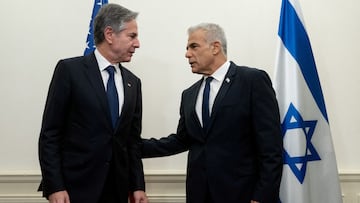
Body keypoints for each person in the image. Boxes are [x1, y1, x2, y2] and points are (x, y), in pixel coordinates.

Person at [142, 23, 283, 203]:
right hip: (200, 194)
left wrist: (262, 197)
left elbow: (271, 148)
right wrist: (130, 147)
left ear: (215, 47)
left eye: (194, 46)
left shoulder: (252, 81)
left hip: (243, 194)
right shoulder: (189, 95)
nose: (187, 54)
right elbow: (182, 140)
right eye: (187, 48)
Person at [38, 3, 148, 203]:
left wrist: (137, 185)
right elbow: (50, 134)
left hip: (118, 190)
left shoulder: (134, 82)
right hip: (74, 190)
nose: (138, 43)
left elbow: (131, 142)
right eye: (132, 36)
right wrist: (55, 186)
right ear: (109, 34)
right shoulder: (70, 71)